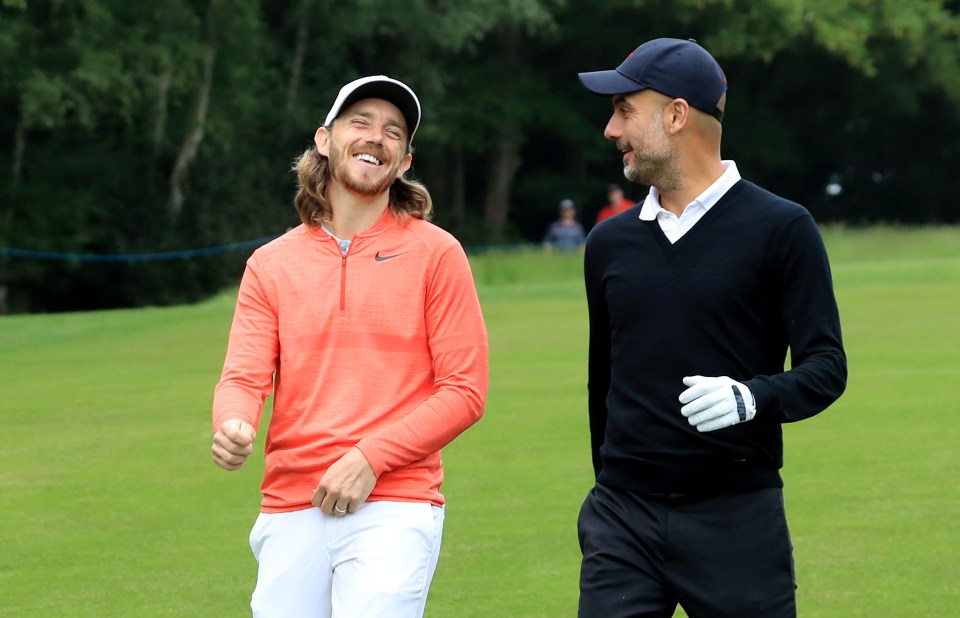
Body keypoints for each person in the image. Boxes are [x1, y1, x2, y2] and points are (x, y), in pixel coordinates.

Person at [575, 38, 847, 617]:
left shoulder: (782, 228)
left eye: (625, 110)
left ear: (676, 115)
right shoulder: (608, 243)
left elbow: (826, 368)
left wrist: (752, 398)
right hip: (622, 520)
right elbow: (604, 378)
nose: (611, 129)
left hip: (737, 518)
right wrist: (610, 488)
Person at [210, 75, 489, 618]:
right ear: (324, 139)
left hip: (395, 501)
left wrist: (370, 457)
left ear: (404, 161)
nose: (376, 137)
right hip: (292, 503)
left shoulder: (438, 254)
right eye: (360, 122)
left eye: (393, 131)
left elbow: (465, 391)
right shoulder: (270, 264)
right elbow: (243, 377)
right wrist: (233, 422)